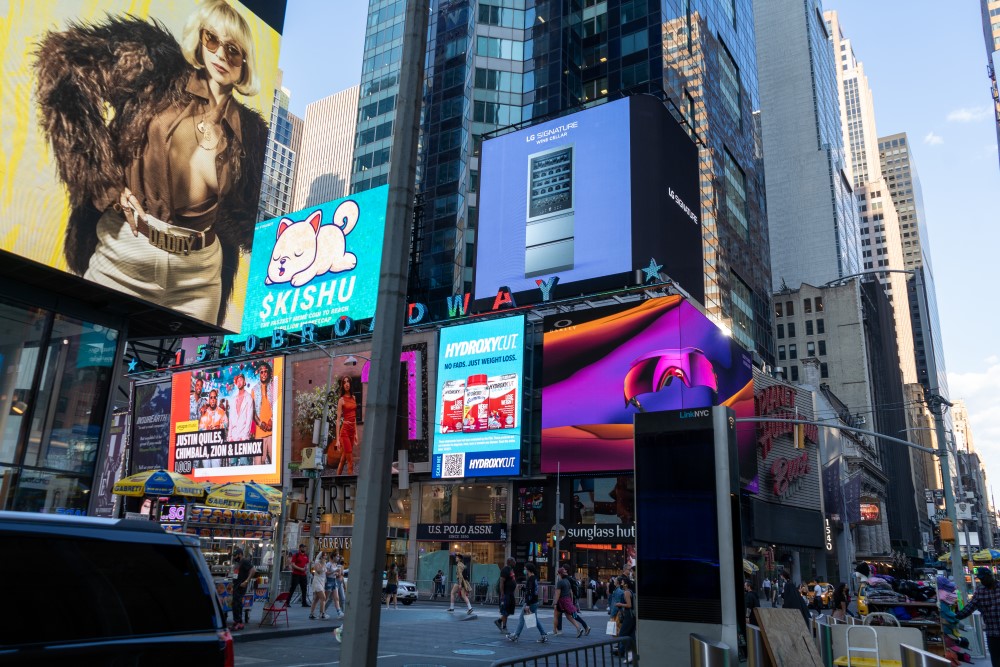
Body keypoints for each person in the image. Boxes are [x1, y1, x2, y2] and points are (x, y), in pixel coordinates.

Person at [34, 0, 268, 326]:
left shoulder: (253, 133)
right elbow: (64, 61)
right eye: (212, 40)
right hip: (127, 250)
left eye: (233, 50)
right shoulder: (155, 68)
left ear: (244, 64)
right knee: (87, 357)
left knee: (181, 372)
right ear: (199, 41)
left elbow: (250, 222)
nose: (220, 55)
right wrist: (104, 182)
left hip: (200, 274)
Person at [956, 567, 1000, 666]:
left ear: (990, 576)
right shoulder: (980, 591)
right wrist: (955, 617)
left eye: (983, 578)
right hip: (992, 634)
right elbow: (970, 607)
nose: (982, 581)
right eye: (980, 579)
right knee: (996, 661)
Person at [506, 563, 548, 643]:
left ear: (528, 569)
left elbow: (530, 592)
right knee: (535, 619)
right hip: (535, 602)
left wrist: (527, 604)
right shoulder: (534, 578)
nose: (524, 570)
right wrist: (522, 588)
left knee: (521, 619)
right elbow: (530, 591)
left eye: (525, 569)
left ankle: (516, 636)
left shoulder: (530, 579)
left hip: (530, 603)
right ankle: (543, 635)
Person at [553, 567, 590, 637]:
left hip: (562, 602)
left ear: (559, 574)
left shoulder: (560, 582)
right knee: (570, 616)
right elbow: (571, 592)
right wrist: (572, 601)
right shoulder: (568, 581)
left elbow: (557, 593)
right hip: (568, 600)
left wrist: (555, 603)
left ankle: (555, 631)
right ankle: (580, 628)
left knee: (558, 615)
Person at [251, 361, 275, 465]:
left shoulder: (274, 386)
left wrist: (272, 421)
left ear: (269, 373)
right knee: (258, 465)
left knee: (275, 463)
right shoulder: (254, 389)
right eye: (261, 372)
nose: (264, 374)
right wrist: (261, 424)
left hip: (272, 432)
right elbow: (252, 411)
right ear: (259, 374)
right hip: (259, 433)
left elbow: (277, 405)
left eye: (266, 372)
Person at [335, 375, 358, 475]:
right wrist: (337, 440)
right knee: (350, 462)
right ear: (342, 385)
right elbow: (338, 420)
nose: (346, 384)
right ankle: (352, 486)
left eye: (348, 382)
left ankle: (337, 477)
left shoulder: (353, 398)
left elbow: (355, 417)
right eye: (344, 382)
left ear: (350, 384)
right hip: (344, 432)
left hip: (352, 431)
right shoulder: (341, 400)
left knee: (343, 458)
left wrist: (356, 433)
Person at [230, 547, 256, 631]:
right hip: (236, 585)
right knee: (236, 604)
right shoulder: (237, 563)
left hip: (240, 586)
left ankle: (237, 622)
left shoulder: (244, 561)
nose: (234, 557)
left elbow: (253, 570)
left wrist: (246, 581)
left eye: (235, 555)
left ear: (240, 554)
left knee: (236, 604)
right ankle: (239, 622)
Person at [615, 577, 637, 662]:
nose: (621, 583)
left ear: (626, 584)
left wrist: (620, 604)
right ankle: (633, 655)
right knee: (631, 635)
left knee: (622, 634)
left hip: (629, 616)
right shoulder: (630, 591)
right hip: (632, 616)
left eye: (623, 582)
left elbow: (629, 605)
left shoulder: (627, 592)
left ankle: (630, 654)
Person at [496, 558, 517, 632]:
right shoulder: (505, 570)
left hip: (511, 593)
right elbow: (502, 582)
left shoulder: (511, 570)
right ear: (510, 562)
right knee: (505, 610)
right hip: (506, 593)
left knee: (510, 610)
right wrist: (502, 593)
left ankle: (499, 621)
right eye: (514, 561)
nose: (515, 562)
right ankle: (504, 626)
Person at [309, 552, 328, 620]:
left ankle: (312, 614)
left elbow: (325, 572)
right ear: (321, 557)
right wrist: (322, 564)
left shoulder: (324, 563)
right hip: (317, 582)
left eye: (326, 556)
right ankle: (322, 613)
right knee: (323, 597)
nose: (325, 557)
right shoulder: (317, 562)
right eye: (324, 556)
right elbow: (319, 571)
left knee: (316, 599)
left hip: (322, 582)